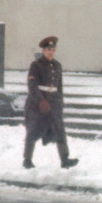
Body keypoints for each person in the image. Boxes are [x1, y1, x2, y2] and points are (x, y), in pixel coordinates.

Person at [24, 36, 78, 169]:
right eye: (48, 49)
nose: (51, 52)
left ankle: (65, 159)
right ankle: (27, 159)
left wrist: (60, 103)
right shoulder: (36, 65)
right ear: (43, 50)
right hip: (37, 104)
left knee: (59, 130)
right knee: (33, 131)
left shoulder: (57, 65)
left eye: (53, 49)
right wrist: (40, 100)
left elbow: (59, 87)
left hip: (53, 103)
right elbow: (32, 85)